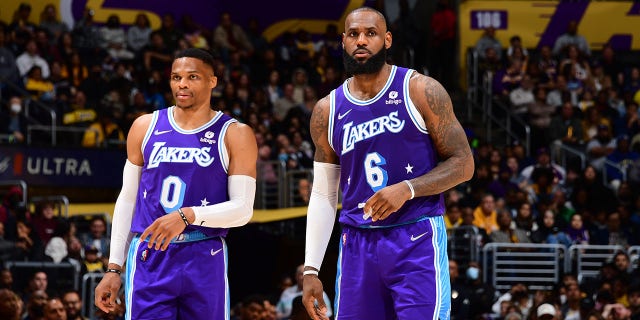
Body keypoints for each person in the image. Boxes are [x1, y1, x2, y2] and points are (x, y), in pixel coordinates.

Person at [302, 7, 474, 320]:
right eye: (353, 34)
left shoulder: (420, 89)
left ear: (388, 39)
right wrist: (311, 268)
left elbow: (463, 163)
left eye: (371, 33)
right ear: (343, 41)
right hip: (357, 244)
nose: (361, 41)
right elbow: (323, 194)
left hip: (415, 237)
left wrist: (407, 189)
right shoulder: (327, 110)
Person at [94, 48, 257, 319]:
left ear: (212, 81)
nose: (182, 84)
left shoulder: (234, 133)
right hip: (151, 255)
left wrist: (188, 215)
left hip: (205, 251)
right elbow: (127, 199)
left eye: (193, 77)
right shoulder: (145, 126)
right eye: (176, 77)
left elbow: (243, 209)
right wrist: (114, 268)